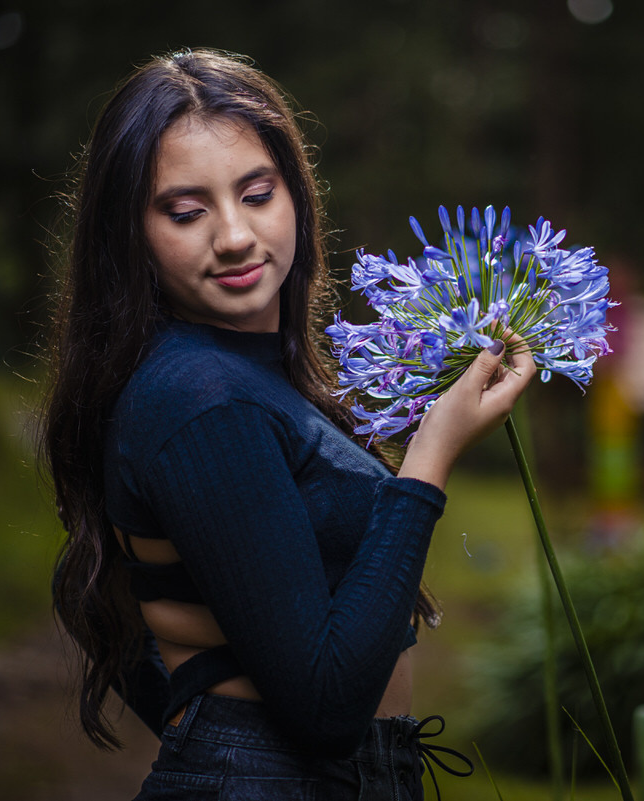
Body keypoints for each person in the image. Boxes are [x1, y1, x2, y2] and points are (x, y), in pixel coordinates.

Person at [41, 48, 534, 800]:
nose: (234, 235)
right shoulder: (204, 396)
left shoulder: (245, 372)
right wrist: (430, 454)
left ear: (297, 197)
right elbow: (326, 706)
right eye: (186, 210)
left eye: (257, 193)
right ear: (130, 232)